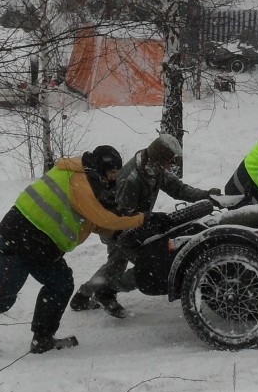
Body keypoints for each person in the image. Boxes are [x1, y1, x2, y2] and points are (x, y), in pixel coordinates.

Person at [0, 146, 170, 356]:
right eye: (112, 171)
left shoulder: (90, 182)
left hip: (33, 240)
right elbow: (102, 217)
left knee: (52, 285)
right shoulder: (80, 180)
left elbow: (93, 222)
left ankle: (38, 338)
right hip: (25, 237)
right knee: (10, 291)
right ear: (102, 168)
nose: (115, 176)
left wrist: (125, 234)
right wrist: (143, 219)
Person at [70, 134, 221, 318]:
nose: (170, 166)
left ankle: (86, 294)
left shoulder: (153, 169)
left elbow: (179, 189)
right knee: (147, 266)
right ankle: (103, 291)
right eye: (168, 161)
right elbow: (121, 215)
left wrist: (206, 195)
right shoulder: (131, 179)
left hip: (139, 224)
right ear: (159, 159)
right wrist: (150, 221)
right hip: (118, 229)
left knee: (116, 265)